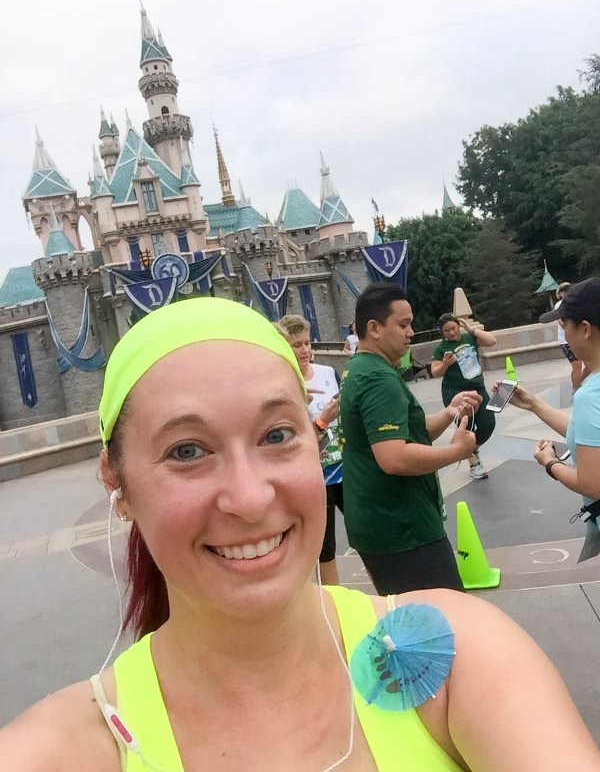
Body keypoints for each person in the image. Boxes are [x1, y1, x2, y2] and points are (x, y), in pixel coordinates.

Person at [2, 296, 600, 772]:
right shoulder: (63, 751)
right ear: (117, 481)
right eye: (187, 450)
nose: (250, 498)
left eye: (277, 435)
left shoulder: (458, 656)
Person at [339, 282, 482, 596]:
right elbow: (394, 457)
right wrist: (458, 450)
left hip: (382, 524)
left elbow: (403, 433)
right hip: (402, 528)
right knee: (445, 613)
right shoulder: (377, 378)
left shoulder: (360, 368)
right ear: (374, 328)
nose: (411, 332)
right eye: (403, 324)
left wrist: (449, 412)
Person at [508, 278, 600, 557]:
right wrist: (534, 404)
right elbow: (587, 434)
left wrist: (550, 463)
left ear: (585, 329)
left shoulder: (590, 395)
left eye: (565, 325)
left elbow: (591, 483)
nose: (564, 336)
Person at [277, 314, 343, 585]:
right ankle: (332, 597)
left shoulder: (328, 373)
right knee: (325, 548)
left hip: (345, 467)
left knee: (369, 533)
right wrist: (322, 420)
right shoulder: (283, 385)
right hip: (316, 475)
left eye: (307, 343)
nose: (305, 350)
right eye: (297, 345)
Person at [431, 313, 498, 479]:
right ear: (442, 332)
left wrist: (471, 329)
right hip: (455, 391)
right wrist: (445, 364)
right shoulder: (441, 348)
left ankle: (468, 449)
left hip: (477, 387)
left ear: (459, 326)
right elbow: (435, 371)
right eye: (447, 331)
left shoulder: (469, 337)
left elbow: (492, 341)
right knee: (465, 426)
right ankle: (474, 464)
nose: (451, 333)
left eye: (453, 328)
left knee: (488, 423)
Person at [554, 282, 585, 391]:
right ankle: (576, 390)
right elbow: (562, 324)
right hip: (566, 340)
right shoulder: (559, 305)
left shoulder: (574, 303)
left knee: (589, 364)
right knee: (577, 365)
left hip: (577, 337)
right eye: (564, 291)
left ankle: (581, 384)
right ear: (560, 293)